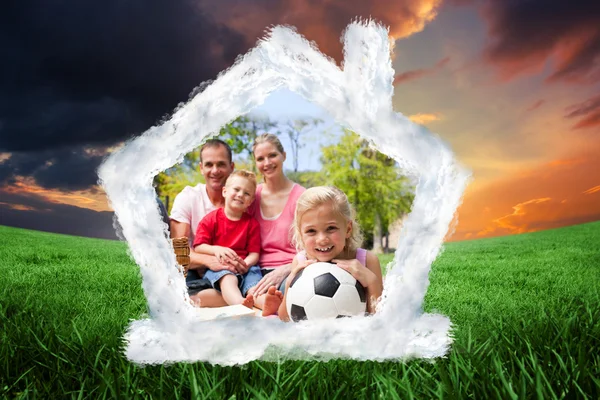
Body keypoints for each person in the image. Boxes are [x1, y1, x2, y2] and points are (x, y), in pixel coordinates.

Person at [265, 186, 384, 321]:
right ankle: (267, 305)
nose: (322, 239)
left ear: (348, 229)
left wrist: (371, 281)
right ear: (301, 233)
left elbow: (379, 319)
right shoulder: (301, 261)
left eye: (331, 228)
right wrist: (289, 285)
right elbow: (286, 319)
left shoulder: (367, 260)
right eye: (311, 231)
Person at [169, 139, 247, 307]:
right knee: (179, 290)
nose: (215, 171)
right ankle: (231, 297)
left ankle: (231, 295)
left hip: (233, 273)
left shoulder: (243, 200)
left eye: (221, 164)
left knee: (242, 282)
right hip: (194, 273)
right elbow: (178, 253)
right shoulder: (188, 198)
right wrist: (210, 261)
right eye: (209, 164)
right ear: (201, 167)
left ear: (231, 167)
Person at [245, 133, 306, 314]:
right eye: (260, 158)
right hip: (256, 270)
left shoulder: (301, 196)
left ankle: (275, 303)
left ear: (283, 156)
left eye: (272, 155)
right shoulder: (250, 197)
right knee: (249, 286)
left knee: (285, 288)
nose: (267, 163)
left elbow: (311, 245)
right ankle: (268, 304)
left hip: (290, 268)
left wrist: (286, 269)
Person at [193, 170, 262, 309]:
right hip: (221, 267)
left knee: (256, 287)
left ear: (251, 201)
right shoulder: (211, 219)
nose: (241, 194)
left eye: (247, 193)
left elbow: (254, 253)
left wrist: (245, 264)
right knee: (228, 278)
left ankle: (267, 303)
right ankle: (239, 305)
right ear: (224, 191)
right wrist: (216, 249)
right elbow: (199, 246)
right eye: (236, 189)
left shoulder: (252, 223)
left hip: (246, 268)